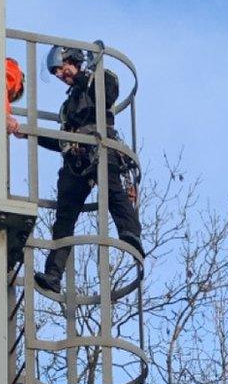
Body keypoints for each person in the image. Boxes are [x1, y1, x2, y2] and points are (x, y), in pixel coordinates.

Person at [26, 44, 143, 294]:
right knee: (64, 219)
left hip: (100, 152)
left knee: (114, 194)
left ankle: (131, 233)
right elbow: (61, 139)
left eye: (62, 68)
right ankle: (53, 274)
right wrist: (29, 134)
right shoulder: (67, 106)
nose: (60, 75)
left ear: (74, 61)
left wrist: (80, 77)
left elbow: (108, 95)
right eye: (56, 72)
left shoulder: (98, 80)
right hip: (75, 161)